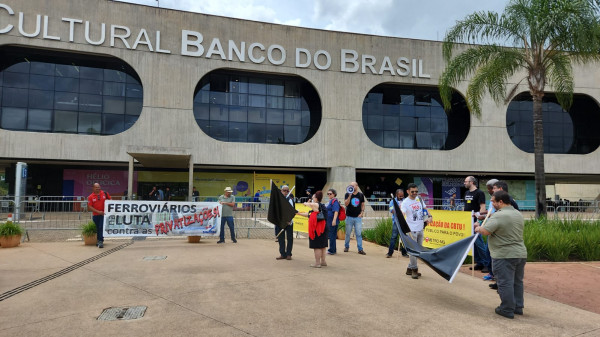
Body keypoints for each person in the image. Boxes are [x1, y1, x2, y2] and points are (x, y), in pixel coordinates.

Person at [475, 190, 527, 319]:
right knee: (517, 282)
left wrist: (477, 227)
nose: (491, 204)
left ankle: (507, 308)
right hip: (520, 253)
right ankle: (518, 307)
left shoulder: (499, 216)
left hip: (504, 254)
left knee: (505, 282)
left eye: (493, 201)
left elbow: (485, 231)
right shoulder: (517, 214)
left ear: (501, 202)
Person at [487, 180, 521, 289]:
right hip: (497, 232)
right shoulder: (502, 202)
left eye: (495, 188)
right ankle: (498, 281)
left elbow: (511, 217)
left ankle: (502, 285)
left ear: (500, 189)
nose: (493, 190)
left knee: (503, 265)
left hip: (504, 237)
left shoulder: (509, 201)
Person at [401, 183, 432, 279]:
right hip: (411, 230)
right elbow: (402, 213)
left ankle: (409, 268)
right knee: (413, 251)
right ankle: (414, 269)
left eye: (416, 191)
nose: (415, 193)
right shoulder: (405, 202)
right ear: (408, 191)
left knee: (418, 251)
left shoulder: (419, 199)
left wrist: (430, 216)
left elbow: (425, 209)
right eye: (412, 191)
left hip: (420, 228)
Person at [464, 176, 490, 273]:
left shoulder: (479, 193)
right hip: (468, 220)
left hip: (475, 220)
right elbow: (465, 206)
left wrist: (478, 221)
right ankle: (479, 262)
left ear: (471, 182)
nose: (464, 183)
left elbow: (482, 208)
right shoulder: (466, 193)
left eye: (466, 181)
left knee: (479, 242)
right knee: (473, 243)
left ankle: (486, 263)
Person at [296, 191, 328, 268]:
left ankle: (317, 263)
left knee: (317, 246)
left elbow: (311, 204)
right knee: (322, 246)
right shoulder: (318, 207)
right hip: (322, 228)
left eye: (313, 197)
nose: (312, 198)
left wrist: (306, 203)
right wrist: (298, 213)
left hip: (318, 229)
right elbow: (309, 214)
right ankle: (323, 261)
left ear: (316, 198)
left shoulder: (317, 205)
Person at [344, 181, 366, 255]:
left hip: (357, 217)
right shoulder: (347, 194)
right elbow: (346, 204)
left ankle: (360, 249)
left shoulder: (360, 195)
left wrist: (362, 212)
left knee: (358, 233)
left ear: (357, 186)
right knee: (348, 233)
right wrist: (350, 196)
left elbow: (362, 204)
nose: (352, 187)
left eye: (353, 186)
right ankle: (346, 246)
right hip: (349, 216)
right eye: (351, 186)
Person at [87, 183, 111, 249]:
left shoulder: (105, 193)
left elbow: (110, 201)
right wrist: (98, 212)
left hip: (104, 214)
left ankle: (100, 241)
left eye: (99, 187)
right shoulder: (90, 196)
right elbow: (89, 207)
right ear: (93, 188)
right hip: (95, 215)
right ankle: (98, 240)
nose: (98, 188)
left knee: (101, 227)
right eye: (96, 187)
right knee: (97, 228)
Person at [387, 189, 408, 258]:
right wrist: (397, 209)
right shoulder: (393, 201)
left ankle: (404, 253)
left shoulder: (406, 201)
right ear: (396, 195)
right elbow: (391, 210)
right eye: (400, 196)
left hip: (404, 222)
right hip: (396, 222)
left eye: (402, 196)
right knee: (394, 237)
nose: (401, 197)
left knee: (404, 238)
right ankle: (390, 253)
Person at [276, 185, 294, 260]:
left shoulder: (290, 200)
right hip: (280, 222)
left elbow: (291, 211)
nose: (286, 192)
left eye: (287, 191)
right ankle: (282, 254)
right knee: (281, 238)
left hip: (288, 222)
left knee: (289, 238)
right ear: (281, 191)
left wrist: (289, 220)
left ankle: (289, 254)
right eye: (284, 190)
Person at [325, 188, 340, 255]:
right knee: (332, 236)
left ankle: (332, 250)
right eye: (328, 194)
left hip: (332, 221)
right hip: (330, 221)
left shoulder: (335, 201)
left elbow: (336, 211)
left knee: (332, 236)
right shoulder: (331, 201)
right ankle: (333, 249)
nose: (329, 195)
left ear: (334, 194)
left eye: (330, 194)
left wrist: (334, 220)